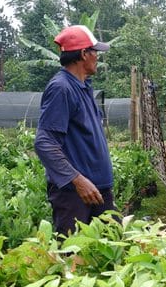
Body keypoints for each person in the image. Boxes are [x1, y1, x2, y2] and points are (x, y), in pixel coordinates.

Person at [34, 25, 115, 235]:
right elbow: (45, 143)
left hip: (97, 191)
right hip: (75, 195)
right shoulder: (62, 88)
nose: (97, 56)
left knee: (108, 255)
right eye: (94, 51)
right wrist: (77, 181)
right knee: (75, 258)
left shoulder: (82, 86)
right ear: (83, 54)